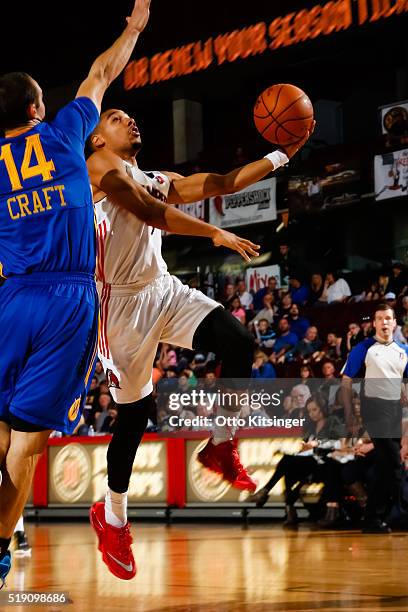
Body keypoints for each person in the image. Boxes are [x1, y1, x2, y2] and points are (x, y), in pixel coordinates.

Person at [87, 105, 314, 578]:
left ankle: (220, 443)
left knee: (238, 342)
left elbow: (224, 182)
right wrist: (214, 232)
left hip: (162, 289)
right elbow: (151, 213)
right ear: (97, 139)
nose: (130, 120)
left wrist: (282, 154)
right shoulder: (94, 171)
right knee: (133, 417)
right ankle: (113, 517)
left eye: (132, 115)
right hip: (119, 308)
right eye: (116, 116)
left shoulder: (154, 176)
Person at [0, 0, 153, 588]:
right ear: (39, 109)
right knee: (28, 440)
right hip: (68, 299)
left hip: (13, 295)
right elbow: (101, 73)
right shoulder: (65, 133)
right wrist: (134, 26)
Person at [341, 303, 408, 533]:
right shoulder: (364, 348)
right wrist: (349, 414)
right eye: (380, 318)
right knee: (395, 464)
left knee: (385, 467)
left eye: (388, 318)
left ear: (394, 322)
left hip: (395, 411)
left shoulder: (404, 350)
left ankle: (372, 517)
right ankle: (398, 514)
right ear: (375, 323)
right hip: (374, 408)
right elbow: (346, 382)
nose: (384, 322)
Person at [248, 394, 345, 525]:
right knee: (287, 463)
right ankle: (282, 504)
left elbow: (339, 444)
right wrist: (302, 450)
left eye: (314, 410)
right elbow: (306, 449)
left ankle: (268, 494)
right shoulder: (310, 427)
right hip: (310, 462)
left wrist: (317, 445)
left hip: (326, 463)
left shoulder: (333, 421)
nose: (312, 414)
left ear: (322, 408)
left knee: (288, 462)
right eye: (309, 411)